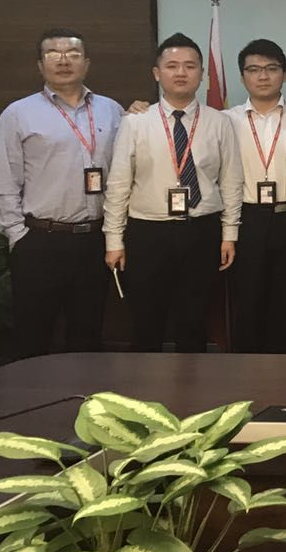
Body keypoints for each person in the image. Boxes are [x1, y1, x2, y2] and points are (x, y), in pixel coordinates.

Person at [103, 33, 243, 352]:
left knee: (193, 323)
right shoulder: (136, 122)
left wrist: (229, 235)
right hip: (148, 233)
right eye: (172, 65)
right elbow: (119, 185)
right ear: (157, 73)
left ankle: (192, 384)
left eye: (190, 66)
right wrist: (114, 240)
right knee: (146, 322)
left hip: (202, 231)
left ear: (202, 74)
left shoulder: (219, 122)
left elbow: (231, 182)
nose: (181, 72)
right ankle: (145, 384)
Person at [0, 29, 123, 357]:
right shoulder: (18, 114)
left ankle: (84, 391)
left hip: (94, 241)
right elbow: (4, 182)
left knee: (87, 336)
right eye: (53, 54)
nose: (64, 61)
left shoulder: (112, 111)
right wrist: (18, 237)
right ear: (40, 65)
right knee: (33, 337)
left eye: (73, 54)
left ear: (87, 63)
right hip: (39, 241)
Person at [222, 38, 286, 354]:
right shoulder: (225, 120)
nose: (263, 76)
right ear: (242, 76)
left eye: (271, 68)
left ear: (285, 74)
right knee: (248, 300)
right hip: (247, 220)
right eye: (254, 69)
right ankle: (247, 372)